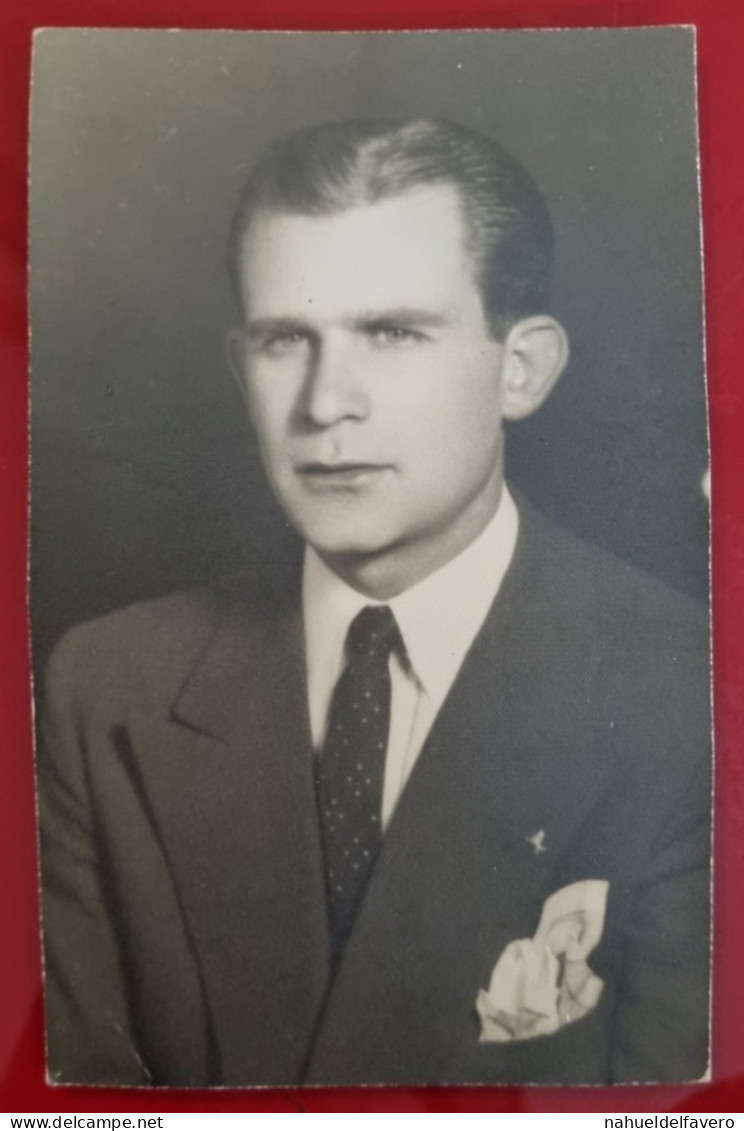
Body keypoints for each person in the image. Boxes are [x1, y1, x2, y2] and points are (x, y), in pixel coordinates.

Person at [37, 118, 710, 1088]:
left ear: (521, 368)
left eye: (392, 333)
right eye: (284, 341)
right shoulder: (107, 691)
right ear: (241, 368)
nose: (324, 404)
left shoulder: (684, 695)